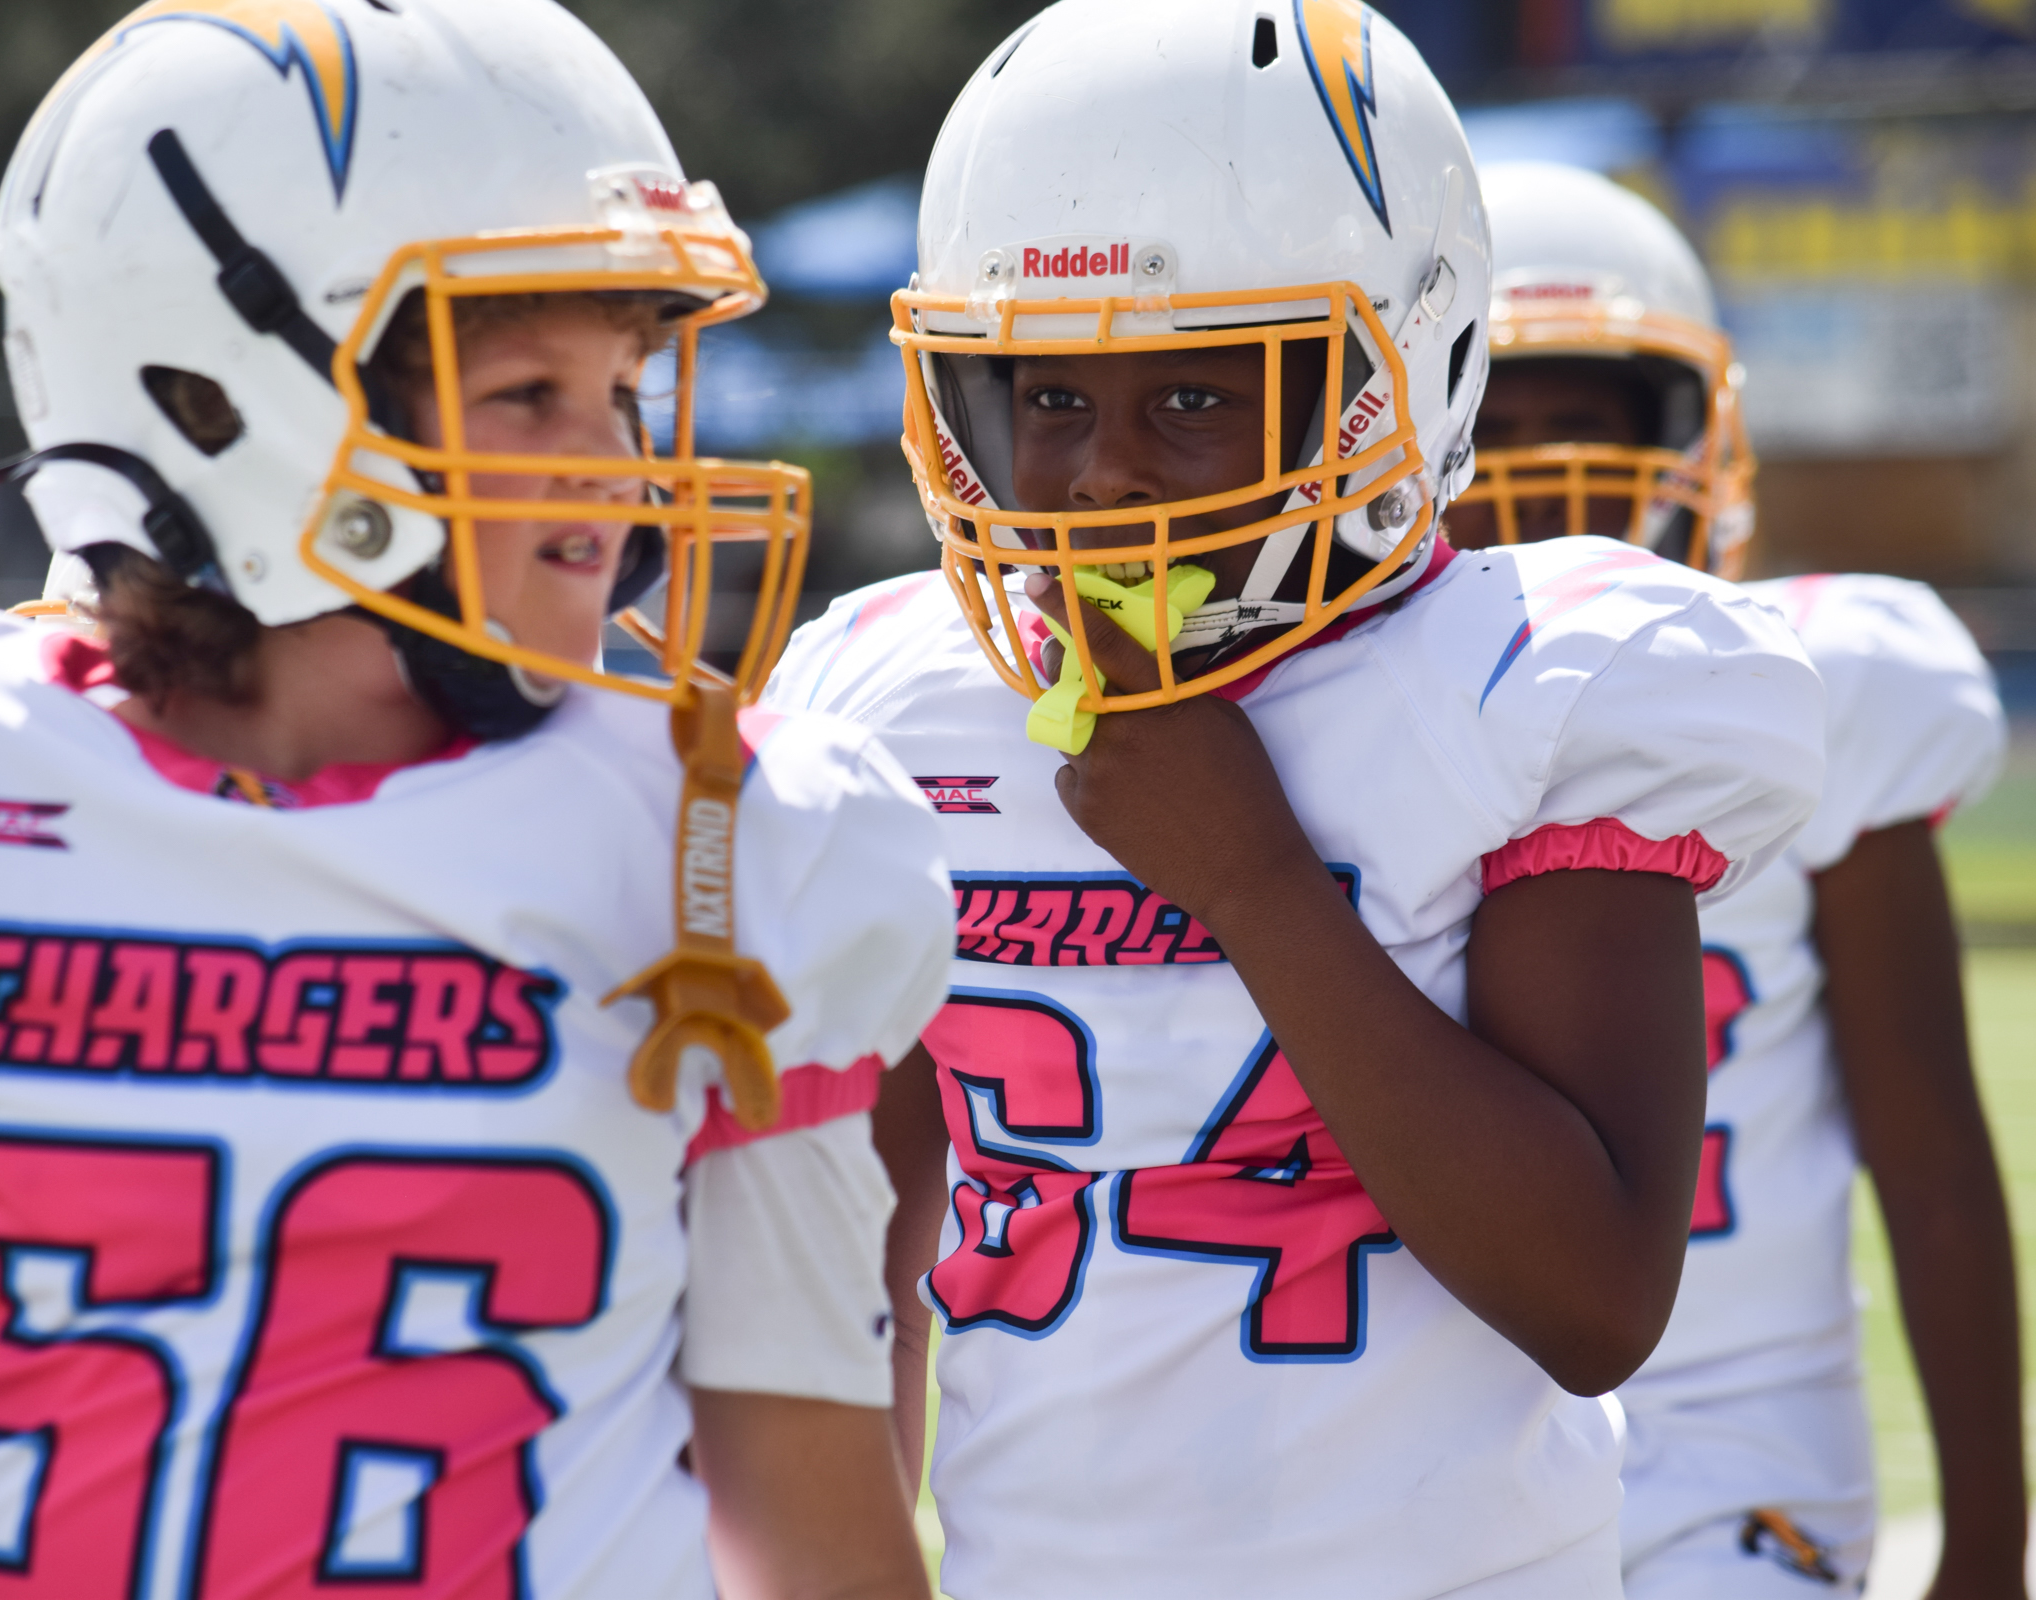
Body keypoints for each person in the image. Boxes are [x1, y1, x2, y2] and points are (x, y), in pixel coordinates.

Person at [0, 3, 954, 1596]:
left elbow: (805, 1517)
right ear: (211, 396)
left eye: (625, 390)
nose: (616, 467)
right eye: (528, 392)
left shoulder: (724, 837)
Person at [764, 2, 1829, 1595]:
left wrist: (1256, 884)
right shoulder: (901, 700)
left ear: (1401, 369)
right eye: (1048, 399)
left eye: (1195, 396)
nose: (1102, 473)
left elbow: (1596, 1300)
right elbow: (862, 1260)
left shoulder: (1521, 683)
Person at [1451, 159, 2024, 1600]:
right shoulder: (1335, 719)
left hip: (1736, 1453)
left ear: (1690, 437)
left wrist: (1987, 1545)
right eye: (1489, 429)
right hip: (1443, 1451)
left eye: (1580, 426)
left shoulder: (1813, 686)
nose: (1534, 477)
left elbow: (1932, 1161)